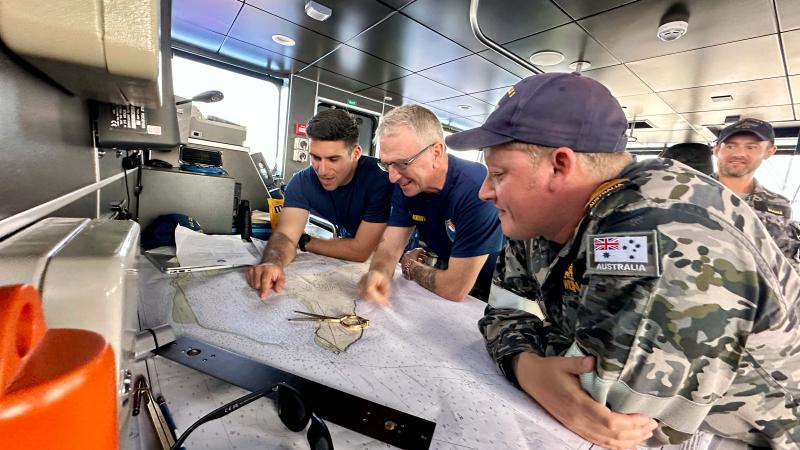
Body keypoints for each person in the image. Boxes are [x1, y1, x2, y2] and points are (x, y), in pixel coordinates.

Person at [446, 72, 800, 449]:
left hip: (762, 433)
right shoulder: (537, 216)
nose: (484, 191)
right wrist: (527, 368)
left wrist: (540, 365)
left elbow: (610, 413)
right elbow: (503, 312)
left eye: (499, 174)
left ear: (560, 166)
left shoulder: (663, 232)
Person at [358, 105, 504, 303]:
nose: (392, 177)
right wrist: (378, 272)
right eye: (387, 164)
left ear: (436, 153)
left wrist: (411, 266)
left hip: (498, 286)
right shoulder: (407, 185)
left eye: (402, 163)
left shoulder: (475, 188)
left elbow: (454, 288)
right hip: (451, 269)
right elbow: (389, 249)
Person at [247, 109, 393, 299]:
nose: (322, 170)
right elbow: (285, 235)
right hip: (352, 240)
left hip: (394, 254)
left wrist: (304, 241)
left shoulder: (381, 180)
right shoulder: (301, 182)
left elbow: (360, 251)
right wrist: (273, 261)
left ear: (356, 153)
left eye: (333, 159)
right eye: (315, 158)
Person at [713, 118, 800, 267]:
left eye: (751, 147)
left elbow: (784, 263)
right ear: (716, 150)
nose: (739, 153)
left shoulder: (779, 205)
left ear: (769, 151)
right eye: (730, 146)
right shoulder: (685, 192)